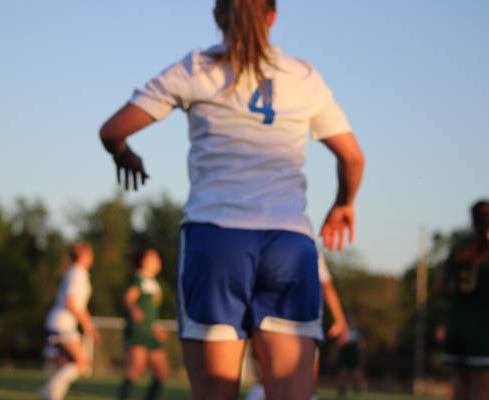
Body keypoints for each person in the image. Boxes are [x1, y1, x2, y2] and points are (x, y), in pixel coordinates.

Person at [99, 0, 365, 398]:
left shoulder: (197, 69)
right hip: (288, 245)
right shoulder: (304, 76)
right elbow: (352, 157)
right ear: (273, 17)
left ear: (217, 16)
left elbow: (113, 130)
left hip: (216, 240)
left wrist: (123, 153)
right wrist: (344, 203)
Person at [244, 252, 350, 400]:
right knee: (305, 379)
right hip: (300, 320)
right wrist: (340, 320)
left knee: (268, 375)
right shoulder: (308, 247)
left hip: (266, 315)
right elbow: (327, 287)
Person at [433, 200, 489, 400]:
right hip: (483, 329)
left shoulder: (460, 249)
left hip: (456, 325)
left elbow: (438, 289)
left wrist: (459, 297)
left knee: (461, 385)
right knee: (482, 388)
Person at [41, 242, 100, 400]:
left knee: (68, 364)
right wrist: (86, 324)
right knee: (82, 364)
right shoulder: (79, 273)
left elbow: (79, 304)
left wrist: (88, 323)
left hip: (58, 323)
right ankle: (49, 390)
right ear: (83, 256)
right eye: (90, 254)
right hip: (62, 324)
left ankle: (53, 395)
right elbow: (71, 301)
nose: (92, 257)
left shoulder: (74, 272)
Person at [117, 248, 170, 400]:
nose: (158, 261)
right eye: (154, 257)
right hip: (138, 331)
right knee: (135, 368)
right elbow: (128, 298)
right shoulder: (137, 279)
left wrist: (156, 327)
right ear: (143, 261)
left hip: (150, 332)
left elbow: (150, 312)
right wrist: (134, 310)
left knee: (162, 370)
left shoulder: (153, 283)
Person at [335, 318, 366, 399]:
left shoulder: (357, 332)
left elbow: (361, 345)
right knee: (343, 374)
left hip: (353, 355)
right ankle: (341, 391)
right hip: (345, 355)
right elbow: (338, 344)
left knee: (356, 373)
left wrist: (362, 355)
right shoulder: (343, 331)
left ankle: (358, 387)